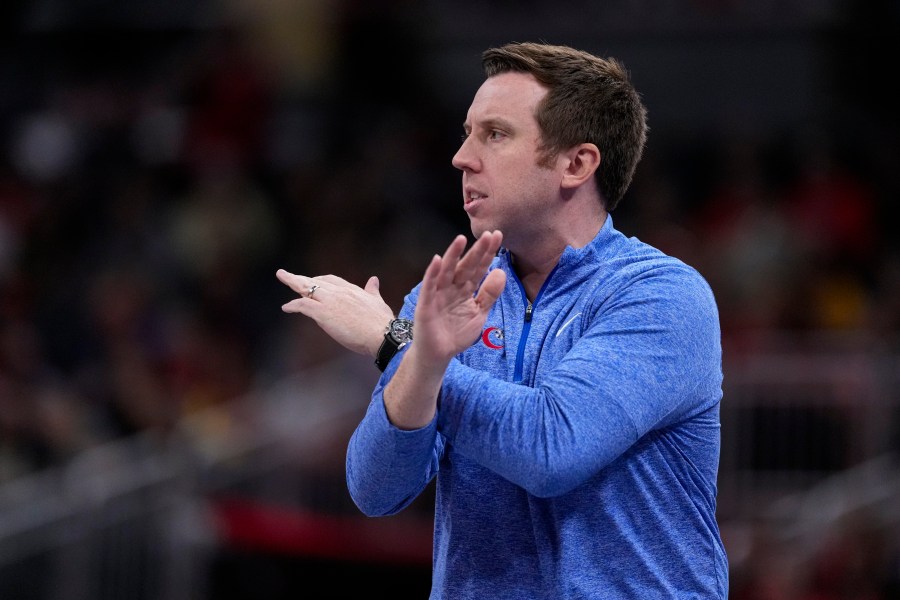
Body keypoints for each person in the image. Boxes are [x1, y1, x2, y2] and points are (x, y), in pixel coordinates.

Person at [277, 41, 728, 599]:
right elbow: (376, 489)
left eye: (494, 134)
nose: (461, 157)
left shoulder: (661, 296)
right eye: (467, 132)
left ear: (576, 164)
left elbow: (550, 449)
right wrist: (421, 362)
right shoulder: (446, 295)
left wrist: (393, 344)